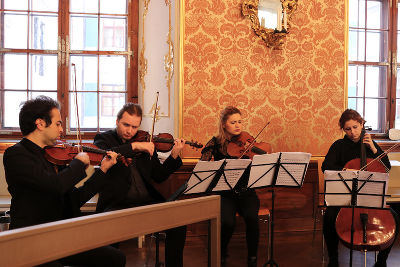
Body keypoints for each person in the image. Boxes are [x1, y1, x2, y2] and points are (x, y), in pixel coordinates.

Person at [3, 95, 126, 267]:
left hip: (58, 236)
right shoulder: (16, 155)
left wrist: (103, 170)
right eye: (58, 123)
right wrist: (78, 163)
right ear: (40, 124)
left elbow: (74, 199)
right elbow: (55, 185)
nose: (62, 130)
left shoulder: (54, 156)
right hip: (30, 239)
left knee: (115, 258)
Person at [93, 102, 186, 267]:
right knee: (108, 239)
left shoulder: (146, 141)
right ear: (117, 121)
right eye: (126, 125)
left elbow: (158, 176)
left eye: (134, 127)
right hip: (117, 204)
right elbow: (107, 153)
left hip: (145, 203)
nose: (130, 131)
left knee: (179, 223)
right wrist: (135, 146)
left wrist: (174, 155)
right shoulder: (103, 139)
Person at [321, 108, 399, 267]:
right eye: (347, 129)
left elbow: (387, 167)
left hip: (369, 198)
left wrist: (374, 149)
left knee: (395, 219)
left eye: (355, 127)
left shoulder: (371, 145)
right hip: (345, 198)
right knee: (329, 217)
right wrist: (344, 171)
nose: (352, 132)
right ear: (343, 129)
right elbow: (326, 166)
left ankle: (381, 261)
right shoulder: (339, 145)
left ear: (362, 124)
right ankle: (333, 259)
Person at [200, 106, 260, 267]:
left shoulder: (247, 141)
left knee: (252, 218)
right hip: (224, 193)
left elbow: (260, 161)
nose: (238, 125)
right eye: (233, 122)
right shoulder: (215, 143)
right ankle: (221, 253)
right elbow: (203, 167)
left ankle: (252, 258)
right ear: (224, 124)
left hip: (246, 191)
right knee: (227, 222)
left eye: (240, 122)